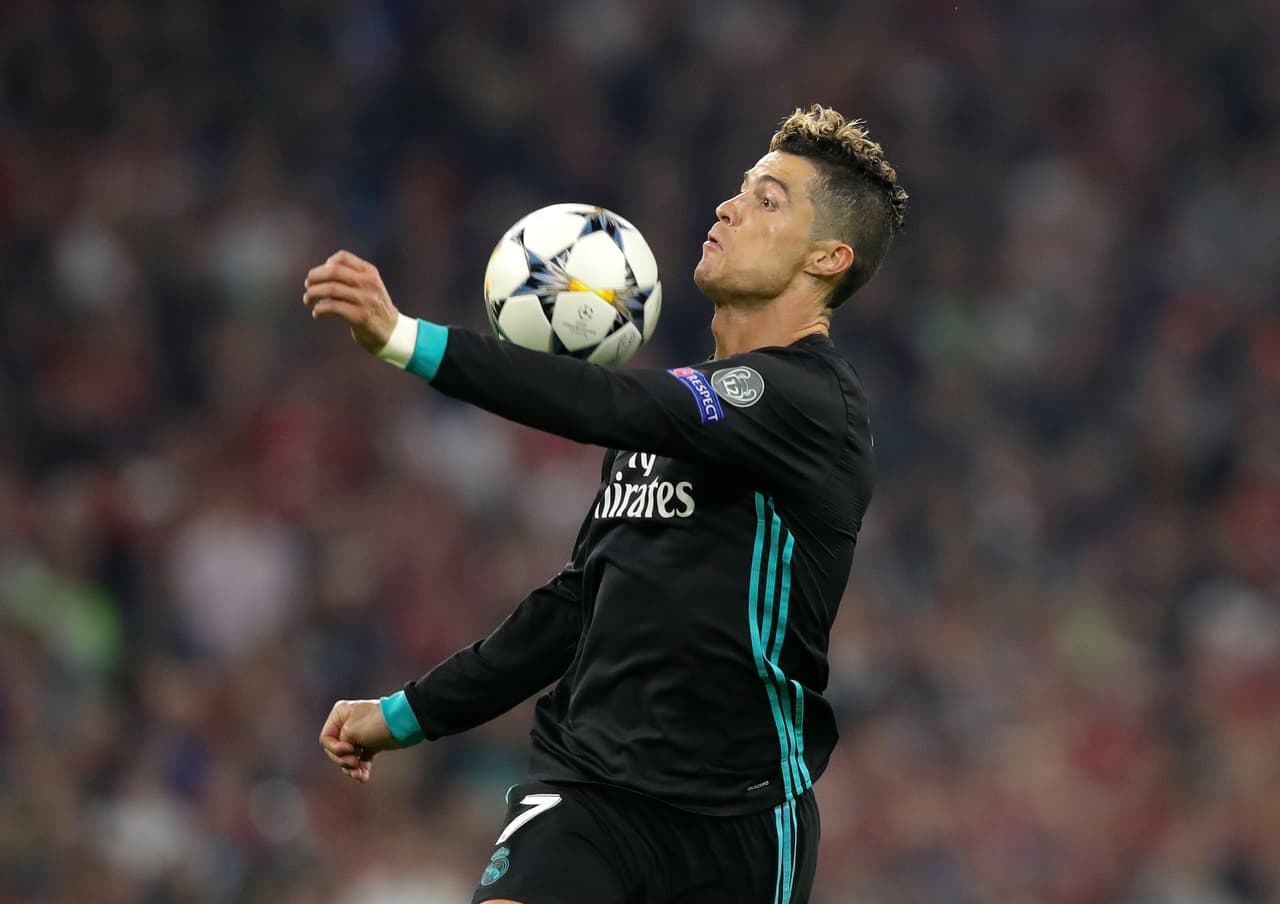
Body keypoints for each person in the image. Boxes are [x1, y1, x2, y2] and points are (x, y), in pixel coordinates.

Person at [308, 104, 907, 904]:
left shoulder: (808, 404)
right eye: (740, 188)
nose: (729, 206)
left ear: (828, 258)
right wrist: (409, 712)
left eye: (768, 200)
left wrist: (404, 338)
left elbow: (611, 404)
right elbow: (577, 603)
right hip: (588, 791)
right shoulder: (684, 411)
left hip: (741, 821)